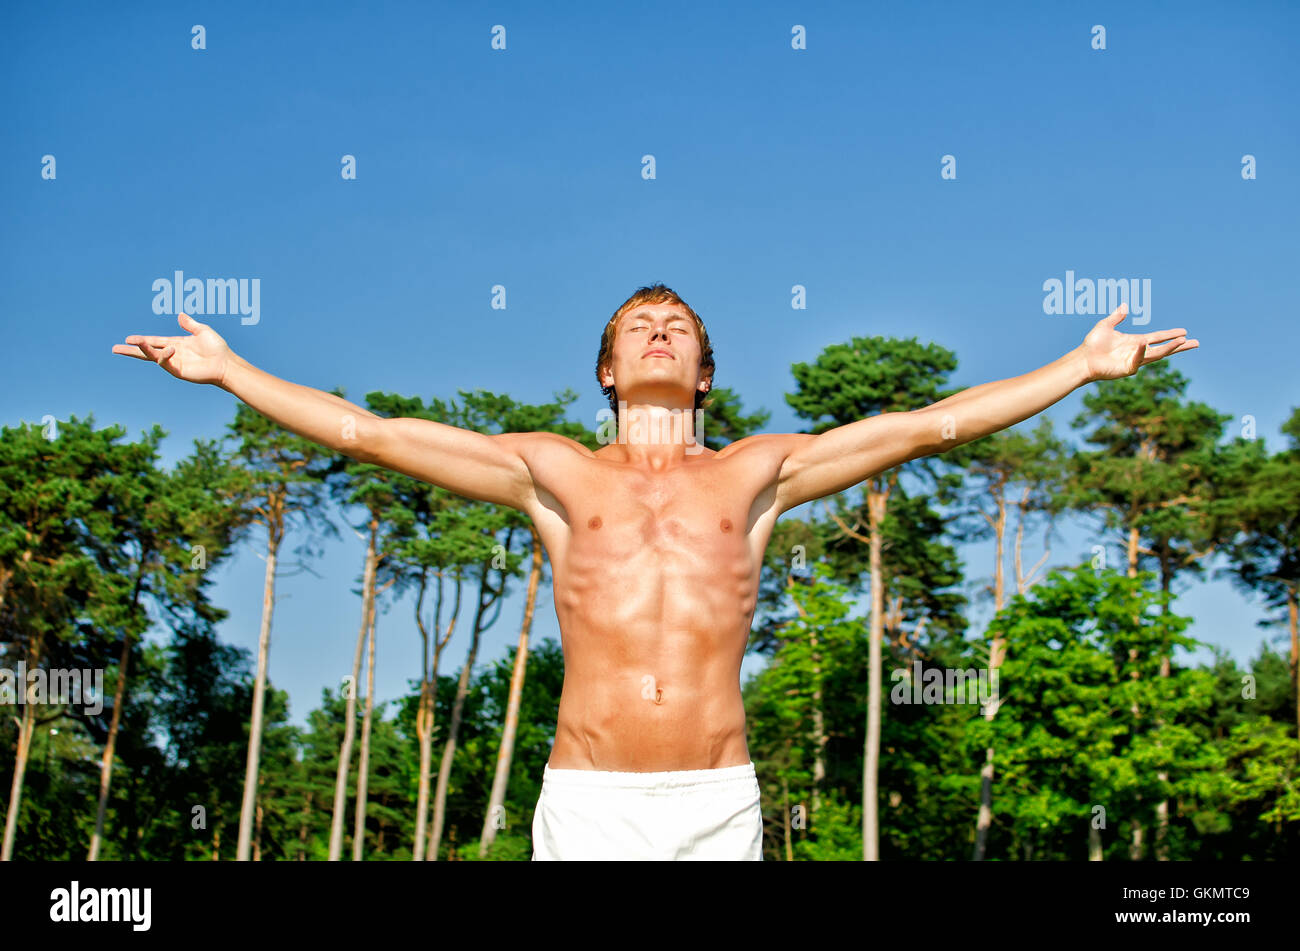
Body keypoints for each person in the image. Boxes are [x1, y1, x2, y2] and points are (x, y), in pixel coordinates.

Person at [112, 283, 1197, 860]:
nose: (660, 331)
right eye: (640, 325)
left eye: (678, 326)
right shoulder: (551, 471)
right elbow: (367, 433)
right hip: (588, 805)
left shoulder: (758, 472)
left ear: (708, 372)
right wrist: (228, 371)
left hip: (718, 801)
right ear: (606, 366)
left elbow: (931, 425)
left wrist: (1080, 365)